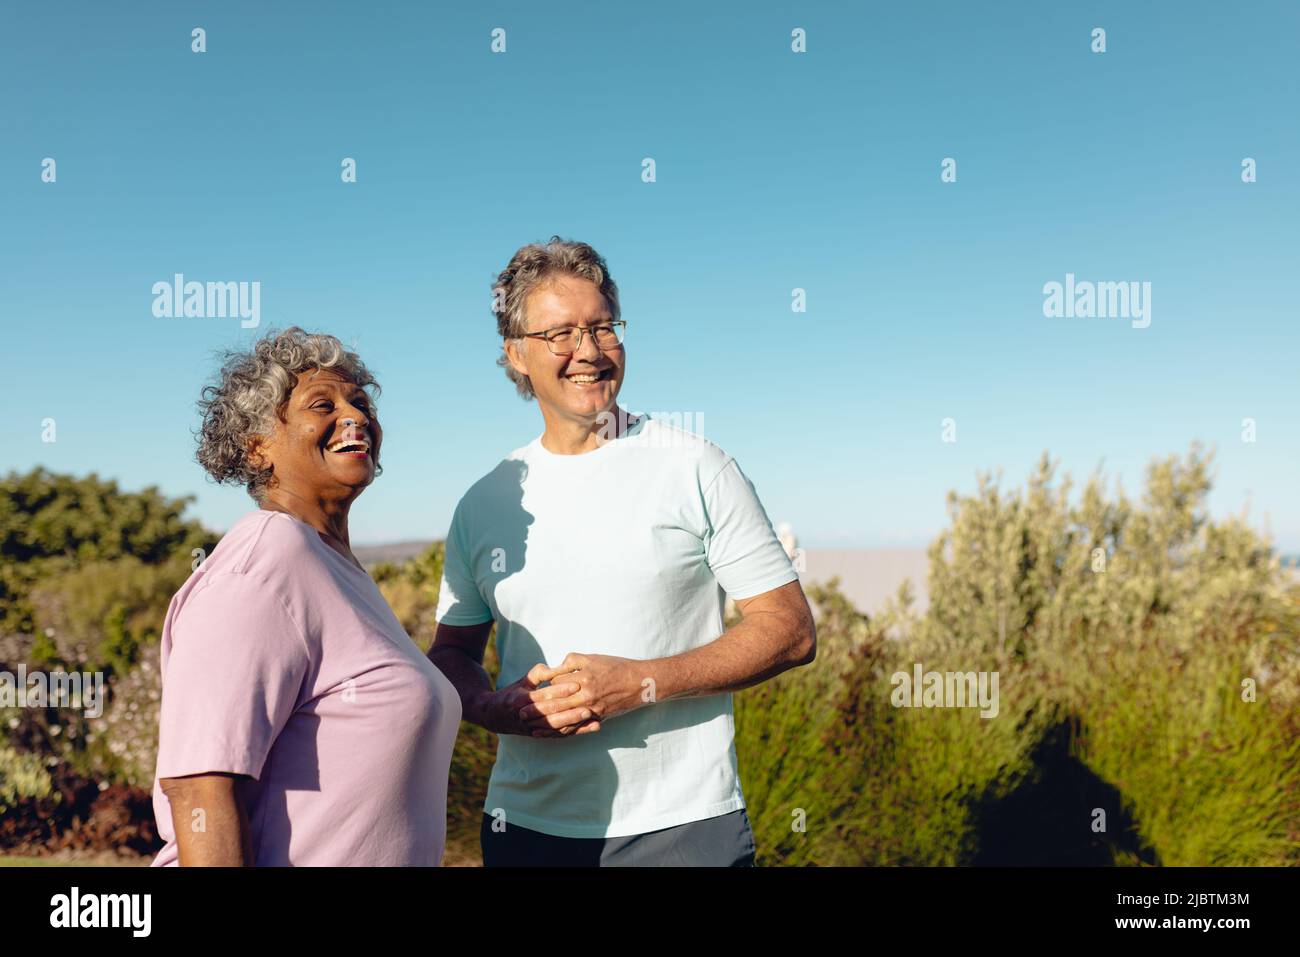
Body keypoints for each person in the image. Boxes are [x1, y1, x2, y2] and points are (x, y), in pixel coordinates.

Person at [429, 237, 816, 866]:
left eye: (603, 327)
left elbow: (791, 632)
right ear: (516, 354)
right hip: (523, 829)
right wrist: (493, 708)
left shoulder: (696, 466)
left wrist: (639, 684)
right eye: (560, 334)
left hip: (680, 829)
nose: (587, 352)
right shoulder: (485, 501)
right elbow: (451, 655)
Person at [151, 327, 461, 866]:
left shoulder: (334, 566)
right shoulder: (265, 563)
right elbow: (200, 786)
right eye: (324, 404)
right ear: (257, 445)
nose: (356, 416)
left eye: (360, 402)